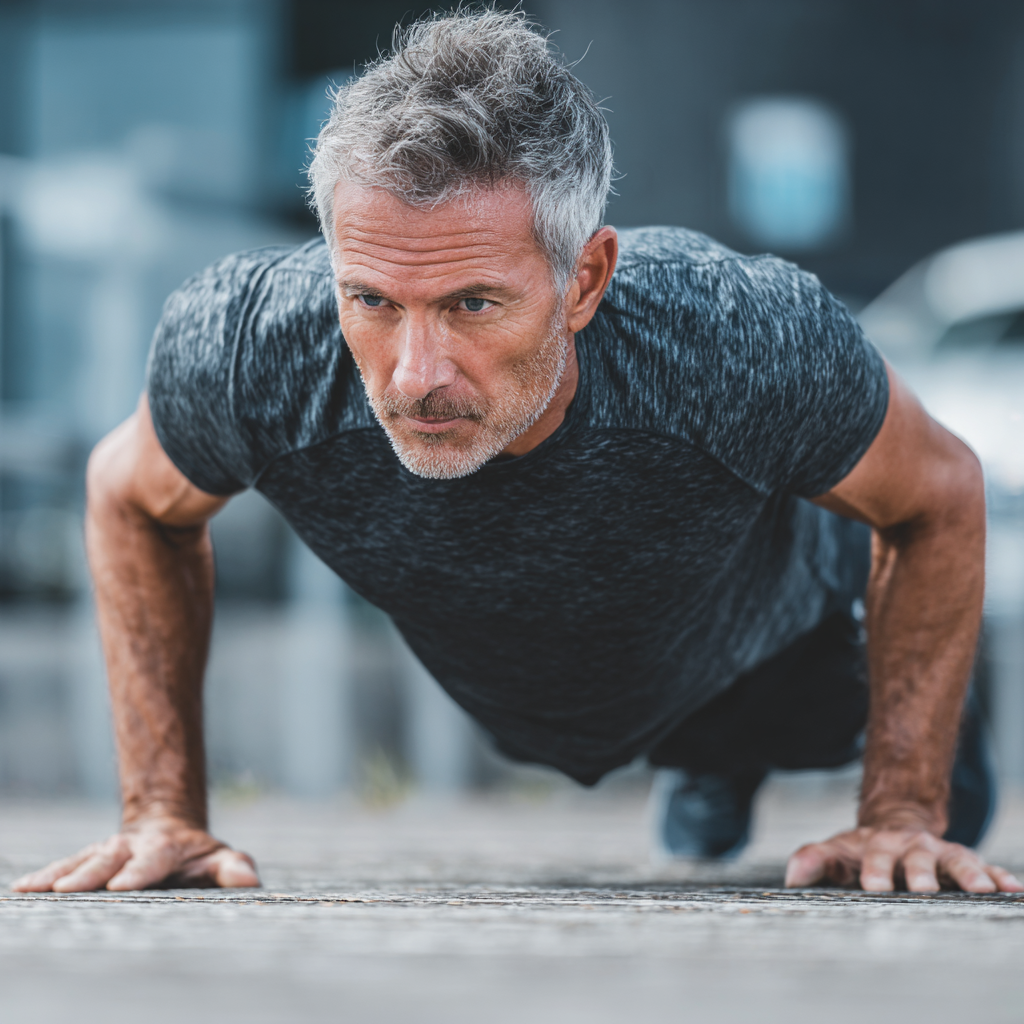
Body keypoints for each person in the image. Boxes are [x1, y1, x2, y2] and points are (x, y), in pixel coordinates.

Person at [13, 9, 1020, 895]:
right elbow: (127, 497)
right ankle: (702, 771)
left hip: (794, 658)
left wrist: (902, 806)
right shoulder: (251, 346)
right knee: (655, 755)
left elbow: (937, 493)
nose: (414, 374)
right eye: (371, 299)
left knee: (919, 841)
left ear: (584, 282)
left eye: (473, 304)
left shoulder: (737, 338)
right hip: (549, 697)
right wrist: (160, 811)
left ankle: (753, 764)